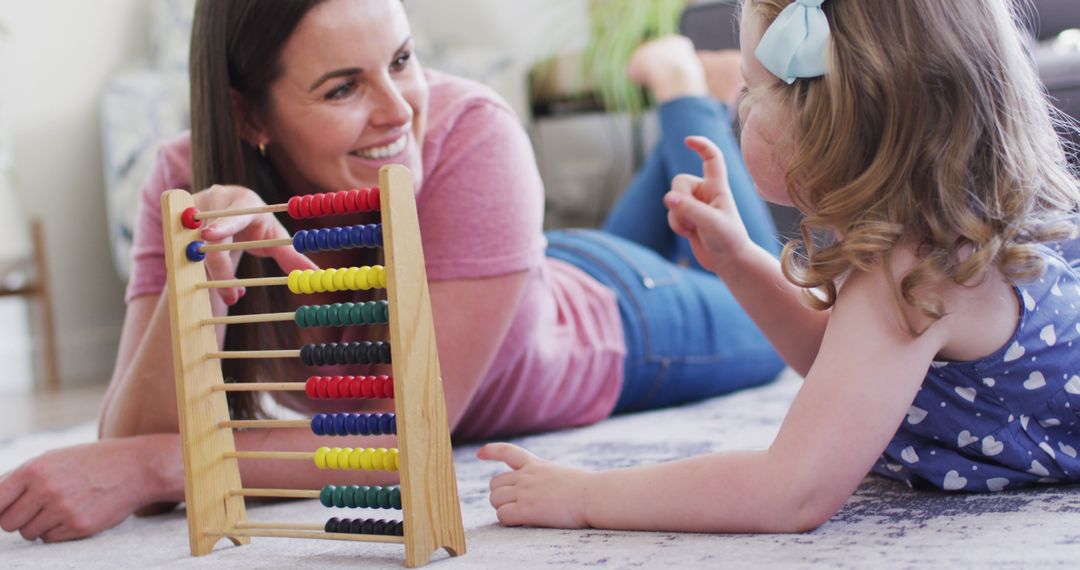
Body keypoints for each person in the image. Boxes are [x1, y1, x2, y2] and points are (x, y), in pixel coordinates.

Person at [0, 0, 783, 542]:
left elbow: (409, 433)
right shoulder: (184, 178)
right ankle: (682, 108)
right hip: (523, 275)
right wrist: (204, 262)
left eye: (401, 60)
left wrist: (163, 466)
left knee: (726, 246)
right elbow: (124, 438)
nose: (399, 109)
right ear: (247, 117)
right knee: (670, 214)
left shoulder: (473, 132)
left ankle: (684, 88)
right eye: (343, 86)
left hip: (627, 321)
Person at [479, 0, 1080, 533]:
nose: (740, 107)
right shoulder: (916, 241)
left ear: (830, 121)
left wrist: (585, 495)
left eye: (748, 87)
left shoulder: (917, 270)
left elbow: (789, 491)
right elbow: (838, 363)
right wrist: (740, 261)